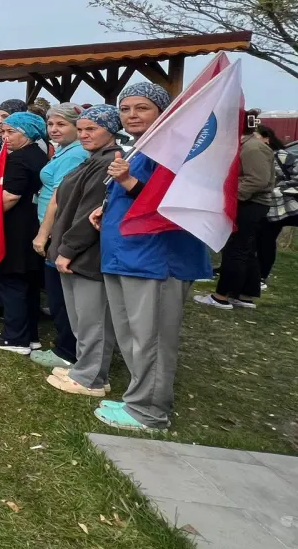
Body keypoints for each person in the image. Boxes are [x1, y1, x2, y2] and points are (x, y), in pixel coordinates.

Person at [95, 82, 210, 432]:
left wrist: (129, 184)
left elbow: (173, 202)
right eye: (125, 108)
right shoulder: (142, 146)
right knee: (133, 335)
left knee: (152, 339)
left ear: (163, 111)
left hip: (156, 260)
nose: (131, 115)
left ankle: (149, 411)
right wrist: (106, 208)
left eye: (142, 107)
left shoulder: (176, 149)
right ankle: (138, 396)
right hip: (126, 255)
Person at [45, 105, 122, 398]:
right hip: (75, 249)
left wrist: (68, 249)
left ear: (111, 129)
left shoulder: (109, 162)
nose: (84, 135)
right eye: (81, 129)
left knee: (93, 319)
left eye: (92, 129)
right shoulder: (94, 159)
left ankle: (92, 377)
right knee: (81, 317)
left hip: (88, 253)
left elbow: (90, 212)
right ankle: (84, 367)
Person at [0, 112, 49, 355]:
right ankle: (30, 335)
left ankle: (15, 337)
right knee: (28, 283)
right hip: (30, 224)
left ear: (28, 133)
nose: (5, 137)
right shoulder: (38, 155)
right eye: (4, 132)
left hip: (14, 227)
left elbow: (9, 196)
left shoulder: (19, 159)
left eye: (11, 132)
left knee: (11, 281)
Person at [28, 104, 88, 369]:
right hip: (52, 226)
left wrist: (44, 233)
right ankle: (68, 343)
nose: (54, 129)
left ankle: (67, 350)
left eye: (61, 124)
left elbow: (59, 197)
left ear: (77, 126)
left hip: (59, 230)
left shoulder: (76, 154)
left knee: (62, 294)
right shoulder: (64, 150)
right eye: (51, 124)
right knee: (57, 292)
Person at [198, 115, 275, 310]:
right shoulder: (248, 146)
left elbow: (258, 180)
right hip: (250, 203)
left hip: (249, 203)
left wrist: (231, 196)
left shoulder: (252, 148)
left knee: (235, 249)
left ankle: (221, 296)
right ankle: (244, 295)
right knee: (246, 250)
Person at [259, 125, 298, 286]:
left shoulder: (281, 155)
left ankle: (261, 275)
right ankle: (261, 275)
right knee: (265, 240)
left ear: (267, 138)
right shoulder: (256, 155)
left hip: (288, 205)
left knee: (265, 240)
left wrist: (279, 190)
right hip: (271, 208)